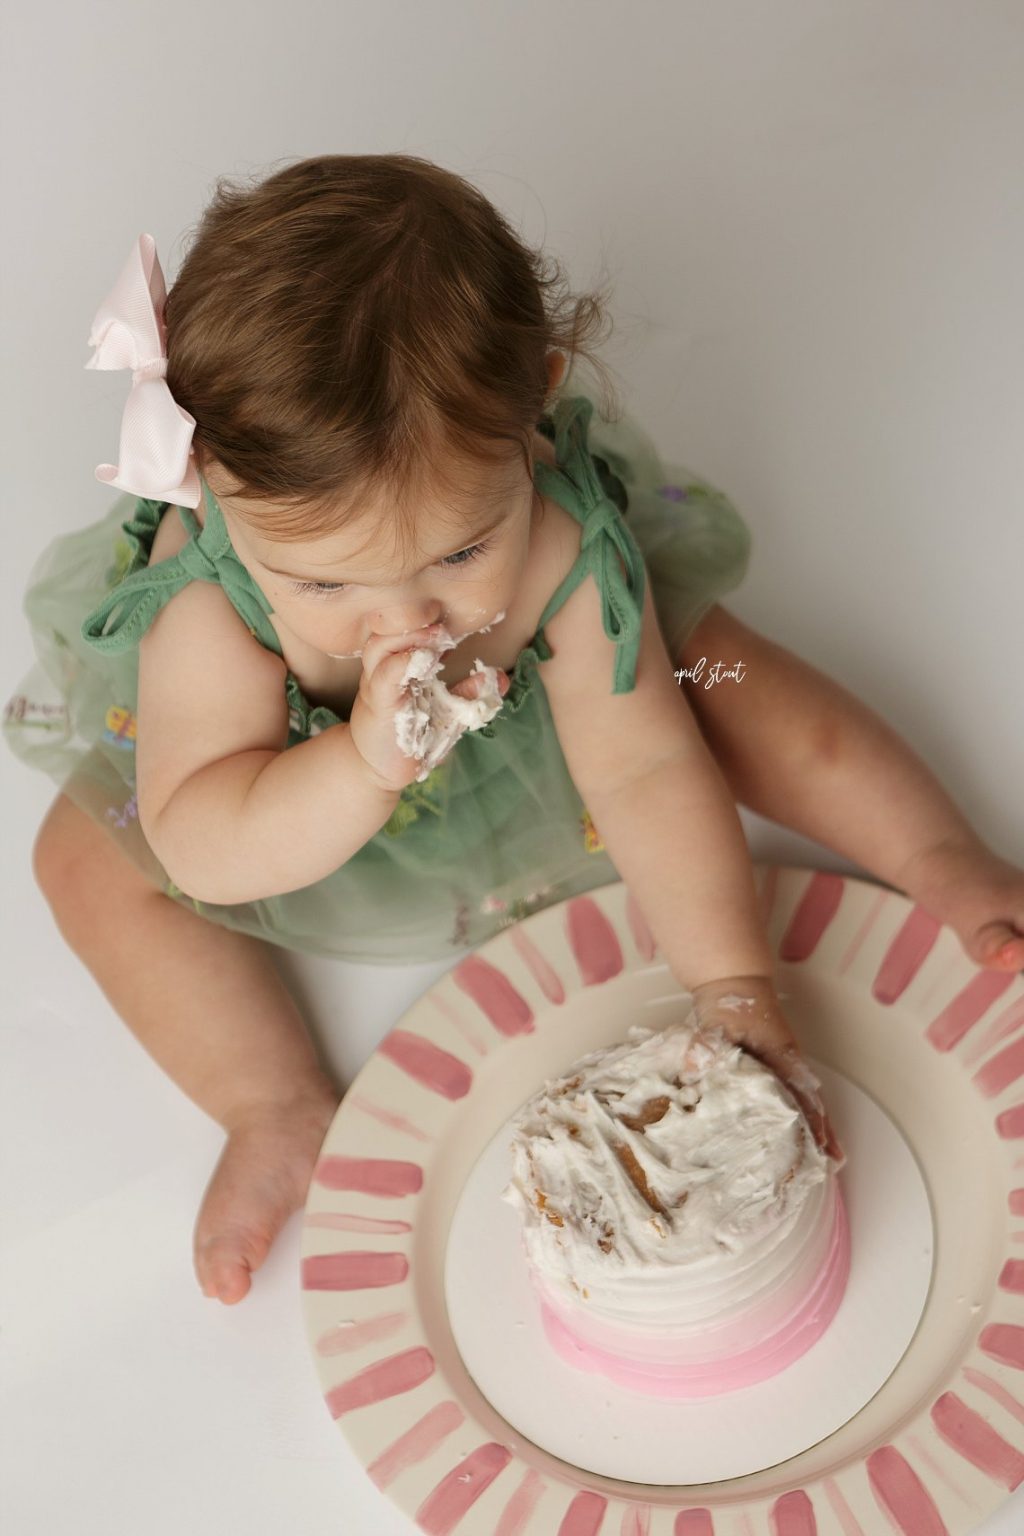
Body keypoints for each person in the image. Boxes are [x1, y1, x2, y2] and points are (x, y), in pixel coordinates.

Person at [7, 155, 1023, 1308]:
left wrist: (731, 981)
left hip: (554, 719)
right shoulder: (207, 599)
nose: (407, 622)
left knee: (719, 675)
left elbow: (639, 764)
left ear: (531, 410)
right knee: (85, 865)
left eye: (456, 553)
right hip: (287, 798)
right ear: (205, 481)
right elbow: (204, 841)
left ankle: (934, 850)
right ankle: (271, 1103)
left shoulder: (550, 539)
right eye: (330, 586)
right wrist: (359, 763)